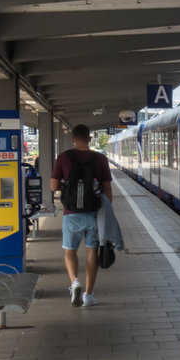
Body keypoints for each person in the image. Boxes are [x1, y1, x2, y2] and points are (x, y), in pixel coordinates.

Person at [50, 124, 113, 307]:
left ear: (73, 139)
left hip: (71, 213)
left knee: (70, 251)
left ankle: (74, 282)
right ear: (90, 138)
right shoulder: (100, 158)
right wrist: (107, 211)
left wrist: (66, 185)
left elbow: (53, 186)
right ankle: (89, 295)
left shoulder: (63, 157)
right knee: (92, 251)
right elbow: (107, 187)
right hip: (94, 212)